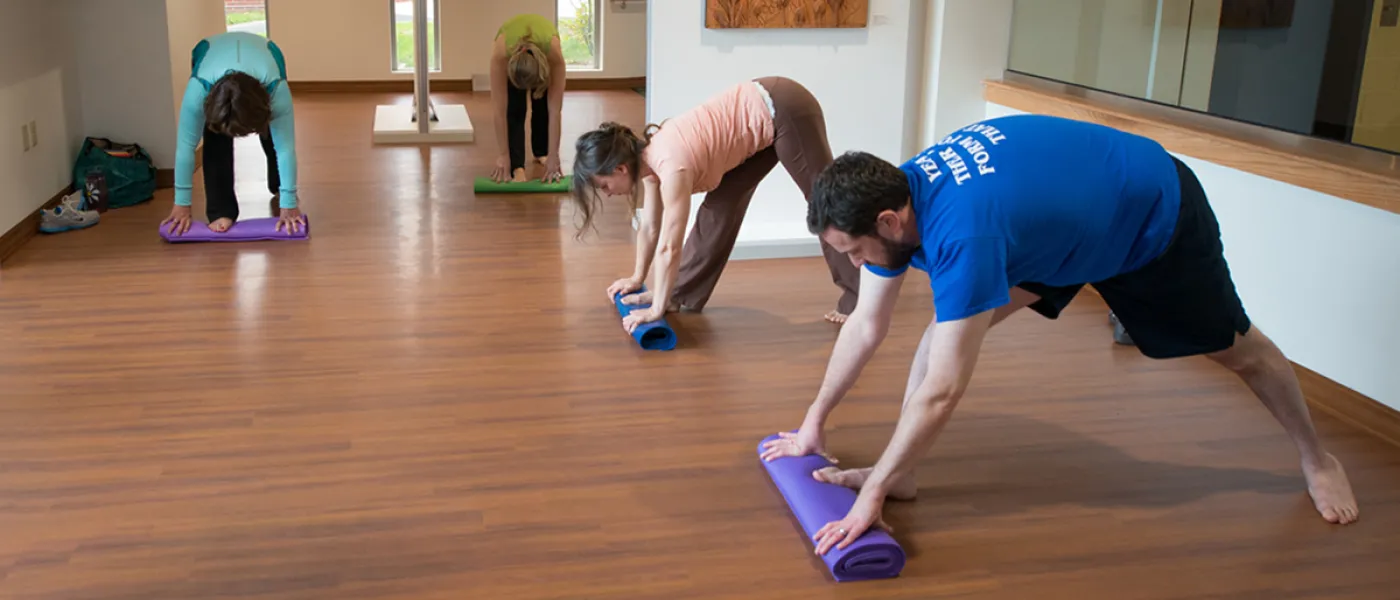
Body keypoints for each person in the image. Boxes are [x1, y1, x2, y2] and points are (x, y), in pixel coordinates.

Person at [759, 114, 1360, 556]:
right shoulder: (898, 198)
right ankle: (905, 472)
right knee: (939, 337)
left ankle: (1317, 456)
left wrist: (869, 497)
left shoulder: (964, 236)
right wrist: (814, 423)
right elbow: (867, 323)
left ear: (890, 221)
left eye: (857, 251)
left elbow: (944, 391)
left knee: (1242, 354)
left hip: (1152, 215)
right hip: (1060, 232)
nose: (859, 264)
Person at [570, 77, 861, 326]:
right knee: (719, 208)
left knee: (825, 200)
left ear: (620, 168)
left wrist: (655, 309)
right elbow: (649, 228)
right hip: (761, 120)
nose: (607, 193)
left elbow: (670, 244)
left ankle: (859, 297)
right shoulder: (646, 164)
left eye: (604, 185)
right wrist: (638, 277)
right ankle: (679, 292)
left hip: (785, 107)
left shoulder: (671, 165)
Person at [162, 31, 305, 237]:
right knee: (215, 138)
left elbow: (286, 149)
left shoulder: (276, 91)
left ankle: (279, 186)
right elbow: (185, 149)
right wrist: (181, 204)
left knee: (274, 136)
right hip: (208, 51)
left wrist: (289, 202)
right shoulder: (198, 90)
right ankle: (222, 210)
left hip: (267, 53)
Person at [489, 13, 566, 184]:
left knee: (544, 107)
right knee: (514, 108)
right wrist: (503, 155)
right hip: (512, 55)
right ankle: (517, 165)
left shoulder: (554, 56)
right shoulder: (501, 55)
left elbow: (555, 111)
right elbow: (499, 111)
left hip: (543, 56)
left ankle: (542, 152)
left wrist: (554, 156)